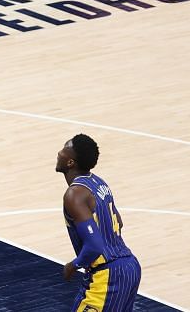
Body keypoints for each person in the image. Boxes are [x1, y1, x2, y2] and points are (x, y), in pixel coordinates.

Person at [56, 133, 141, 311]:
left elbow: (95, 246)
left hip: (107, 275)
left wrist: (73, 265)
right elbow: (119, 221)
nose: (59, 152)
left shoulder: (75, 194)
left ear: (71, 162)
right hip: (129, 267)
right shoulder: (99, 183)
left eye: (64, 149)